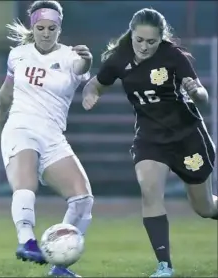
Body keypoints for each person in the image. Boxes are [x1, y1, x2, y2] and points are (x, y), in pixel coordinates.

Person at [82, 8, 217, 278]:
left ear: (161, 38)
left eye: (151, 42)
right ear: (131, 35)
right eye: (139, 40)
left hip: (187, 137)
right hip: (150, 138)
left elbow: (202, 96)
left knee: (204, 208)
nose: (144, 46)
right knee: (149, 190)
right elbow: (96, 84)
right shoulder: (119, 59)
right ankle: (164, 266)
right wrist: (91, 93)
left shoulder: (174, 56)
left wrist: (196, 91)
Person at [0, 1, 93, 277]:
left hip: (53, 135)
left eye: (51, 28)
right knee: (26, 181)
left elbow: (82, 69)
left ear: (59, 28)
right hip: (21, 127)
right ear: (33, 27)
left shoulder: (70, 56)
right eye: (40, 28)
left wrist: (88, 61)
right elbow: (7, 92)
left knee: (83, 199)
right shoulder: (18, 55)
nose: (46, 33)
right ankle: (26, 241)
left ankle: (59, 267)